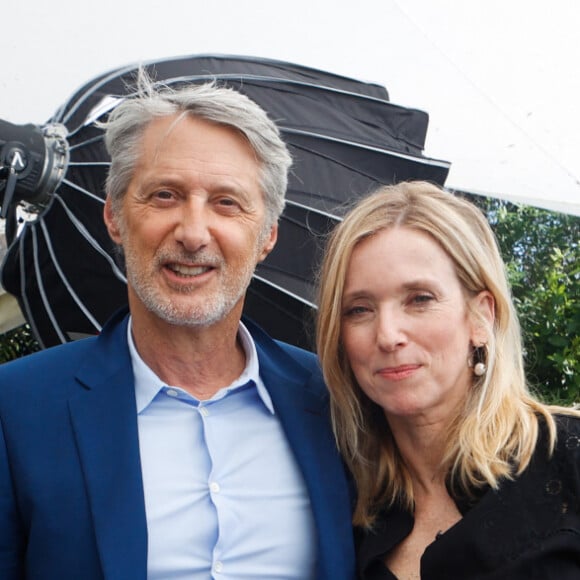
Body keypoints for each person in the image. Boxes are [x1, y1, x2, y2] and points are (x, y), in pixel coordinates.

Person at [0, 73, 355, 580]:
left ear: (267, 236)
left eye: (227, 203)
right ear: (116, 217)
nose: (192, 233)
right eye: (164, 195)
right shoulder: (16, 409)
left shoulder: (334, 402)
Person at [316, 180, 580, 579]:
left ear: (481, 317)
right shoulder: (347, 507)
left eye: (419, 299)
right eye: (359, 309)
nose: (387, 335)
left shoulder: (567, 461)